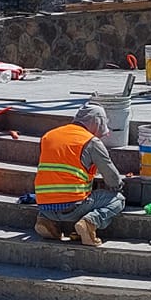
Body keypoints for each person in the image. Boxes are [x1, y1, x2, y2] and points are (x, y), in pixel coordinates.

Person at [32, 104, 126, 246]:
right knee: (117, 199)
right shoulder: (91, 141)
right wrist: (118, 187)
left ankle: (45, 221)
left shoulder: (49, 135)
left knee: (56, 194)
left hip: (44, 206)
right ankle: (89, 223)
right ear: (97, 123)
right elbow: (112, 178)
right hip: (73, 207)